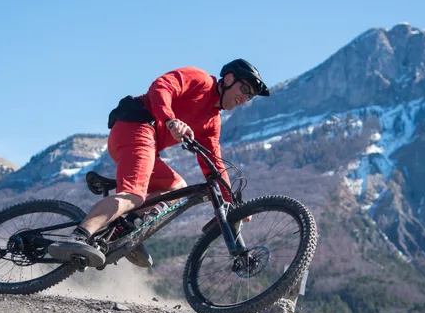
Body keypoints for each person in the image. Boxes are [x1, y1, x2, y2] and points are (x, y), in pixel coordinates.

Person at [48, 59, 269, 268]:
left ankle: (121, 233)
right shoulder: (201, 80)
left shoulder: (212, 121)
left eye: (250, 96)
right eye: (245, 89)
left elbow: (212, 162)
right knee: (134, 195)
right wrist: (171, 119)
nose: (245, 98)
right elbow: (161, 87)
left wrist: (232, 203)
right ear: (229, 79)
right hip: (136, 126)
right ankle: (80, 236)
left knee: (178, 189)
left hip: (147, 144)